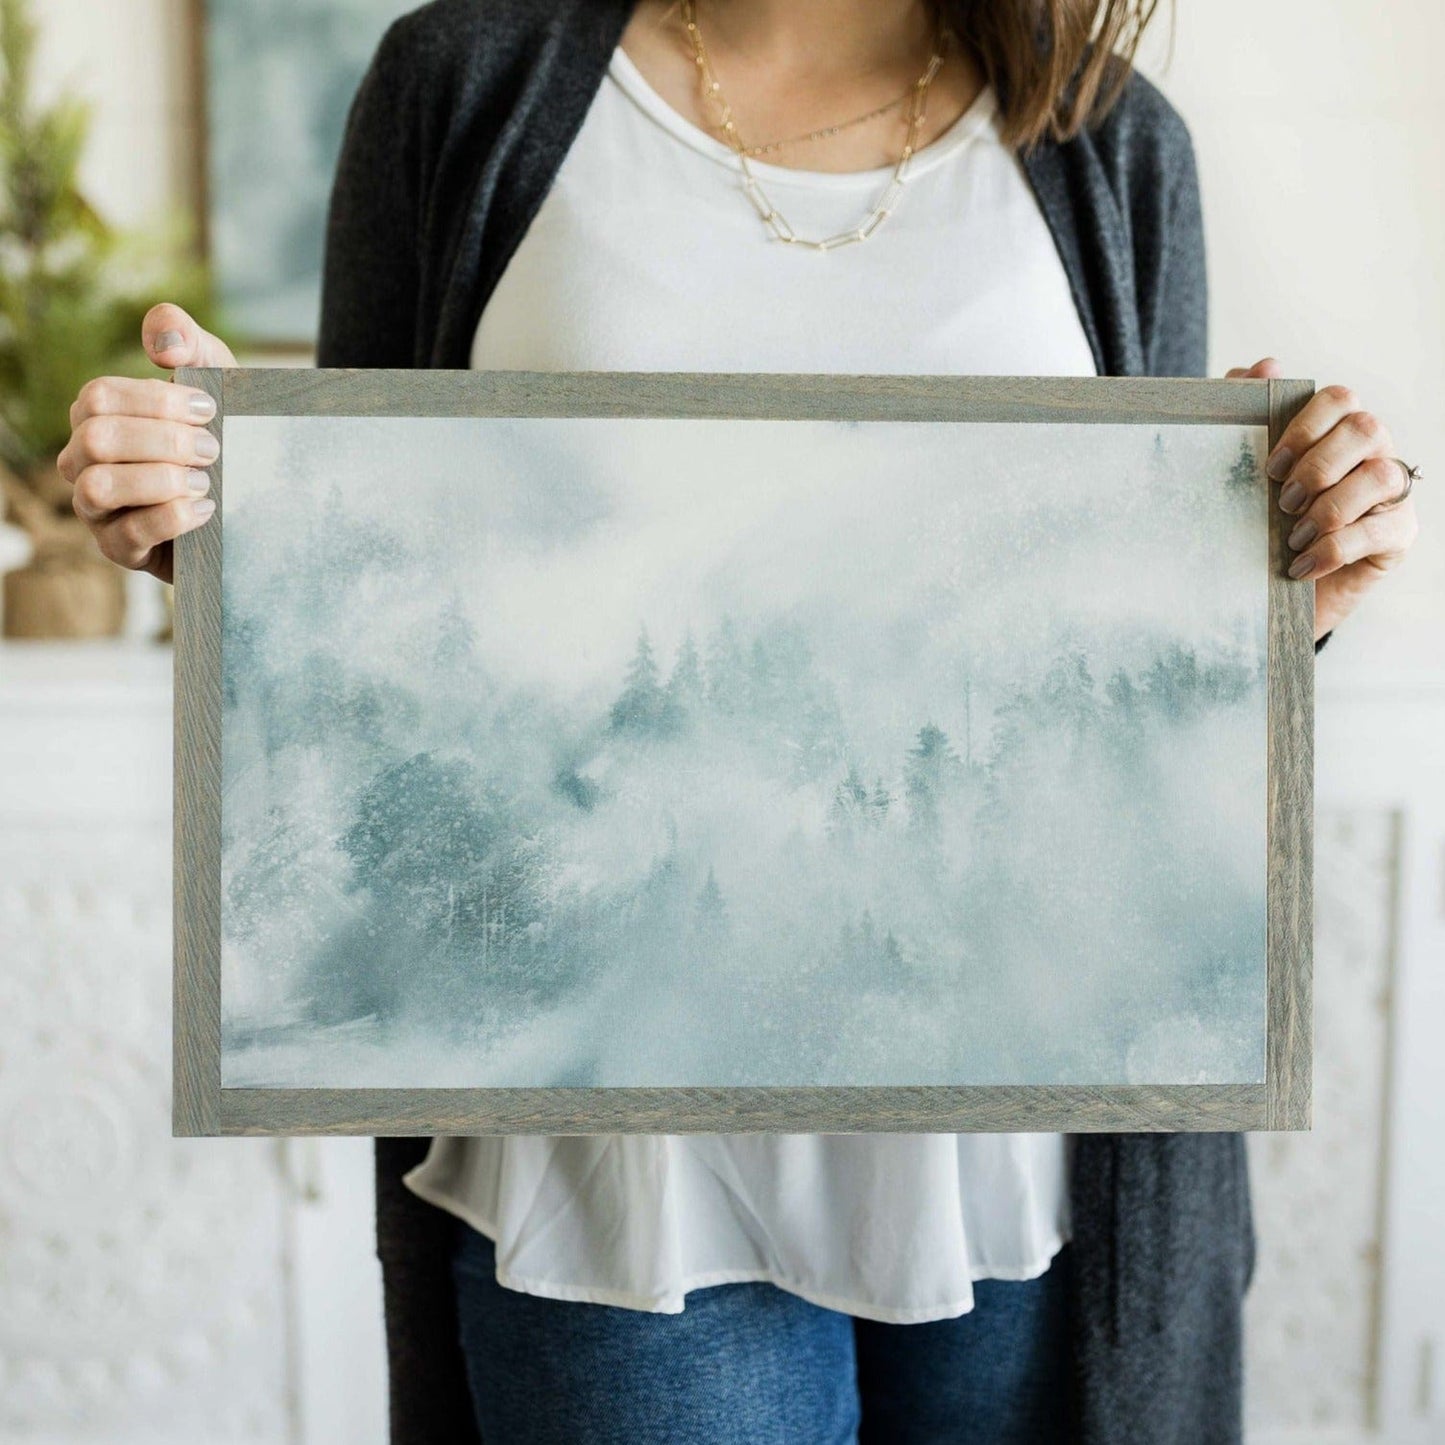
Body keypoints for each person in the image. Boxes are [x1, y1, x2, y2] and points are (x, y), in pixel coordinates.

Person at [58, 1, 1420, 1440]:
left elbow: (1141, 646)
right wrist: (210, 538)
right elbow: (366, 608)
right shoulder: (461, 90)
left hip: (1017, 1152)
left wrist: (1297, 580)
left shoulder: (1109, 139)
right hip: (609, 1159)